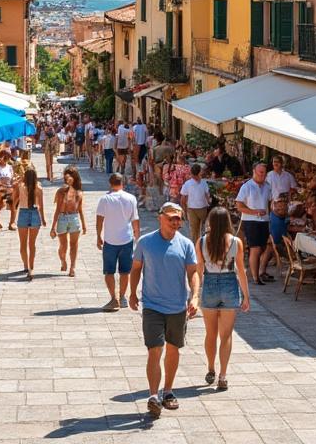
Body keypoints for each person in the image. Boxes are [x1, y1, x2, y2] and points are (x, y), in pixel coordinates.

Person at [129, 202, 200, 419]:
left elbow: (193, 273)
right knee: (155, 349)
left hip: (177, 307)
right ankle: (153, 396)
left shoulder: (186, 244)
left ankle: (168, 391)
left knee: (172, 349)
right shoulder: (145, 242)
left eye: (178, 218)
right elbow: (136, 269)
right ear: (161, 218)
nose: (175, 221)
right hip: (152, 306)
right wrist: (132, 293)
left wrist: (195, 295)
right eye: (171, 217)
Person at [197, 207, 249, 392]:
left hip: (210, 283)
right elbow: (241, 270)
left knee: (210, 333)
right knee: (225, 335)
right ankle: (223, 375)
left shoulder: (202, 241)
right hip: (229, 285)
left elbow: (199, 269)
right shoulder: (236, 242)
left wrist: (196, 294)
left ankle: (211, 368)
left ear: (210, 222)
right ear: (228, 221)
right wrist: (246, 295)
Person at [97, 172, 141, 311]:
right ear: (123, 183)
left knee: (109, 272)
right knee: (125, 271)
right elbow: (135, 219)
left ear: (110, 183)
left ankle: (113, 298)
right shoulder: (131, 198)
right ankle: (122, 297)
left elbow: (100, 219)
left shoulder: (105, 199)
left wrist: (98, 235)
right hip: (126, 239)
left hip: (110, 240)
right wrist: (137, 235)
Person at [235, 162, 273, 286]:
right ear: (254, 172)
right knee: (255, 248)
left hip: (264, 221)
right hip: (250, 220)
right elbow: (239, 206)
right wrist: (254, 212)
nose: (262, 175)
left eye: (264, 173)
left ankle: (254, 271)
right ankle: (256, 278)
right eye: (260, 172)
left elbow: (268, 203)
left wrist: (270, 215)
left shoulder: (267, 186)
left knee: (262, 247)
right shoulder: (247, 186)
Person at [52, 166, 86, 277]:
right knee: (63, 245)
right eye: (67, 175)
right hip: (62, 217)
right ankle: (63, 260)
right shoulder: (61, 192)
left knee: (74, 245)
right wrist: (53, 227)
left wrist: (84, 225)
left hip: (74, 218)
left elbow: (80, 210)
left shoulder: (79, 193)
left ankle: (72, 267)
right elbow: (57, 209)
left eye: (71, 175)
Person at [14, 169, 47, 279]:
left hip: (23, 212)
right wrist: (43, 219)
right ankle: (31, 268)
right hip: (35, 213)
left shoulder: (20, 186)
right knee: (32, 244)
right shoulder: (38, 187)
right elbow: (41, 205)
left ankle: (25, 265)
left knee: (22, 244)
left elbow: (15, 200)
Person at [265, 156, 297, 258]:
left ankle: (286, 253)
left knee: (285, 229)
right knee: (275, 233)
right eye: (274, 162)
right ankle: (276, 254)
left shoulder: (288, 176)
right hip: (274, 207)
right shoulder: (269, 176)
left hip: (286, 207)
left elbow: (294, 188)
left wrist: (288, 195)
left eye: (278, 162)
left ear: (282, 163)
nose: (276, 164)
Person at [179, 163, 210, 240]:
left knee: (196, 229)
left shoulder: (189, 183)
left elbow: (183, 198)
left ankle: (198, 244)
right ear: (199, 173)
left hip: (194, 209)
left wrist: (184, 210)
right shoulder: (202, 183)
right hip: (197, 209)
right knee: (198, 229)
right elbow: (207, 196)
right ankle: (198, 245)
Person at [0, 149, 15, 231]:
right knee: (0, 205)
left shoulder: (9, 167)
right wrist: (0, 184)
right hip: (0, 189)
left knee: (12, 206)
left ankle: (11, 223)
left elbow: (12, 178)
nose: (7, 159)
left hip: (9, 188)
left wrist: (13, 183)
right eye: (6, 157)